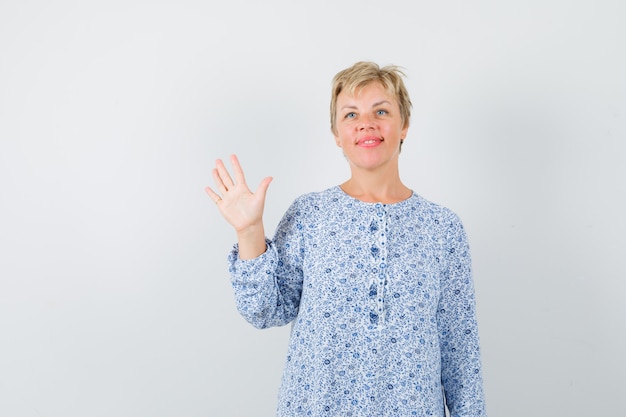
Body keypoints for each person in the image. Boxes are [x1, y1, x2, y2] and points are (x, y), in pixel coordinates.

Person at [206, 61, 486, 416]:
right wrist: (249, 232)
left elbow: (460, 351)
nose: (366, 123)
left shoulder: (442, 228)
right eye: (350, 115)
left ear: (405, 125)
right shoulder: (309, 215)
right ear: (337, 134)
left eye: (380, 110)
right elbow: (265, 311)